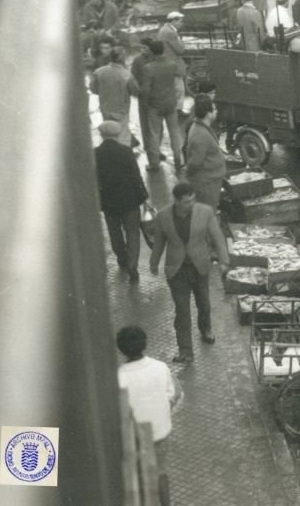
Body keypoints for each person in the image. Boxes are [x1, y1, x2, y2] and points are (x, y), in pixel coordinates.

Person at [149, 181, 230, 363]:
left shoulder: (206, 212)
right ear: (176, 201)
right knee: (182, 311)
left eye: (193, 200)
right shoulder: (163, 217)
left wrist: (224, 261)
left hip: (200, 265)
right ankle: (186, 351)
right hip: (176, 270)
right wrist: (154, 262)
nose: (191, 204)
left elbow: (217, 237)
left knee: (204, 303)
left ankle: (206, 328)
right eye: (187, 201)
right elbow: (160, 242)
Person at [116, 325, 180, 506]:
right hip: (160, 431)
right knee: (160, 471)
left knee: (136, 473)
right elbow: (171, 395)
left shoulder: (119, 376)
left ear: (121, 348)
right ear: (145, 344)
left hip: (134, 436)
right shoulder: (160, 367)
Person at [95, 120, 149, 281]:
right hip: (129, 200)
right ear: (118, 134)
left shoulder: (95, 153)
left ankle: (121, 258)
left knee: (114, 232)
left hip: (108, 202)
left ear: (101, 135)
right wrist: (143, 197)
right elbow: (135, 176)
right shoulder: (126, 151)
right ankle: (133, 265)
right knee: (132, 232)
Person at [144, 40, 185, 171]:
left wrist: (147, 102)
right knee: (174, 132)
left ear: (151, 51)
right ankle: (179, 159)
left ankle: (154, 163)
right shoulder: (172, 65)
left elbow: (146, 89)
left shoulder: (148, 68)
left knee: (154, 134)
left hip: (155, 105)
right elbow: (176, 83)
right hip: (170, 103)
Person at [90, 46, 141, 147]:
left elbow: (93, 89)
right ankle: (123, 155)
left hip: (105, 107)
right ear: (122, 58)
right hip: (121, 109)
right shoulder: (126, 75)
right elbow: (136, 91)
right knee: (122, 134)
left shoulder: (99, 72)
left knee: (108, 133)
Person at [184, 96, 226, 211]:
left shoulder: (201, 128)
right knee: (207, 212)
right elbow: (195, 162)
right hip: (206, 183)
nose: (217, 111)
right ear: (208, 114)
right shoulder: (200, 134)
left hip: (210, 180)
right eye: (214, 109)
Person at [130, 38, 158, 159]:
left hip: (156, 95)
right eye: (141, 48)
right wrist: (138, 92)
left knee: (156, 123)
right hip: (143, 96)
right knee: (145, 122)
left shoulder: (156, 58)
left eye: (145, 48)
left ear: (150, 48)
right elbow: (133, 77)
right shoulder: (137, 60)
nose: (142, 50)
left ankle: (156, 147)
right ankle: (148, 148)